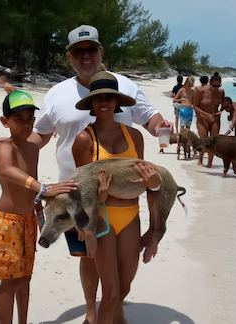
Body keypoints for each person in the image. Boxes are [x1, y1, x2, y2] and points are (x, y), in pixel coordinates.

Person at [0, 24, 170, 323]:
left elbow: (150, 119)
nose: (86, 56)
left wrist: (162, 126)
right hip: (76, 195)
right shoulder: (59, 93)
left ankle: (110, 307)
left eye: (91, 49)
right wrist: (13, 142)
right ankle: (91, 309)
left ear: (101, 51)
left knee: (118, 274)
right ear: (69, 56)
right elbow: (40, 134)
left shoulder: (125, 86)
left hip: (123, 199)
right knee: (88, 256)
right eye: (78, 51)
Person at [72, 71, 163, 324]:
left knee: (123, 290)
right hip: (102, 218)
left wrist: (154, 228)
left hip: (131, 217)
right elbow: (80, 191)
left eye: (109, 98)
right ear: (90, 102)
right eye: (98, 98)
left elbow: (146, 185)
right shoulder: (83, 140)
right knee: (111, 292)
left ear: (117, 101)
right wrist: (87, 231)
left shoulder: (135, 137)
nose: (104, 103)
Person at [0, 90, 77, 324]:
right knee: (10, 282)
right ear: (4, 121)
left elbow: (44, 137)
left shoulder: (32, 145)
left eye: (30, 119)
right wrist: (42, 187)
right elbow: (8, 170)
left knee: (25, 277)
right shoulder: (4, 149)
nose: (26, 125)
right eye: (19, 120)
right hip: (7, 222)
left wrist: (40, 211)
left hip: (28, 219)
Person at [193, 71, 225, 167]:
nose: (216, 88)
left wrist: (221, 111)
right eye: (214, 86)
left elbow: (224, 104)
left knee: (213, 141)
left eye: (218, 86)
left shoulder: (221, 92)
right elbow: (194, 106)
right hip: (202, 118)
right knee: (204, 140)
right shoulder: (200, 90)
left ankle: (210, 163)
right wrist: (206, 115)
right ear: (210, 84)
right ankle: (200, 160)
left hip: (215, 119)